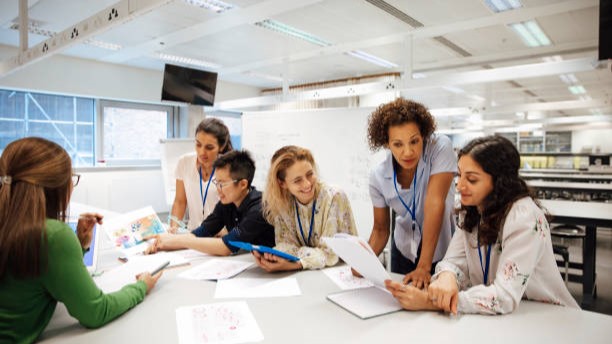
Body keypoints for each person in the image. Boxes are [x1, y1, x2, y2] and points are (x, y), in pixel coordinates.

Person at [385, 135, 580, 314]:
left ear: (499, 182)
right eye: (459, 175)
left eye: (471, 179)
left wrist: (430, 301)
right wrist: (447, 277)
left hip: (547, 317)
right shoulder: (473, 210)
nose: (460, 186)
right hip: (499, 318)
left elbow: (503, 297)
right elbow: (453, 261)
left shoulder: (524, 217)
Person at [0, 137, 162, 343]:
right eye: (72, 178)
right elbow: (95, 311)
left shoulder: (12, 223)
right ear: (55, 187)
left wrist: (79, 244)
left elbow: (34, 273)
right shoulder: (52, 235)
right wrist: (141, 288)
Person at [365, 98, 456, 288]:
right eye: (398, 144)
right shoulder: (378, 176)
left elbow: (434, 203)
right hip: (404, 249)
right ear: (386, 143)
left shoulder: (440, 148)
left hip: (440, 248)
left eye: (414, 141)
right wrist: (363, 262)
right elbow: (381, 230)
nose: (408, 152)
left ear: (424, 135)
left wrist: (423, 267)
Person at [146, 150, 275, 256]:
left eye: (222, 184)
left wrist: (180, 241)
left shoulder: (259, 208)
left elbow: (226, 247)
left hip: (274, 271)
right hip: (248, 263)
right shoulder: (227, 203)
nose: (218, 189)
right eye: (216, 182)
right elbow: (200, 233)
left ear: (242, 184)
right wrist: (163, 243)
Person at [254, 145, 358, 272]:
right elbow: (285, 246)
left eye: (310, 174)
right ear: (282, 183)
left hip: (339, 273)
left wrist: (295, 263)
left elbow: (329, 254)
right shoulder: (282, 202)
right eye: (297, 180)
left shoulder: (334, 197)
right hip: (305, 274)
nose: (307, 184)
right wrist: (274, 256)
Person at [169, 118, 233, 233]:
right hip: (192, 233)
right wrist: (174, 228)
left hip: (218, 235)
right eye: (198, 144)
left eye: (209, 148)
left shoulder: (229, 169)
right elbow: (180, 201)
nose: (202, 152)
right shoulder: (184, 162)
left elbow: (233, 209)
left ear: (221, 147)